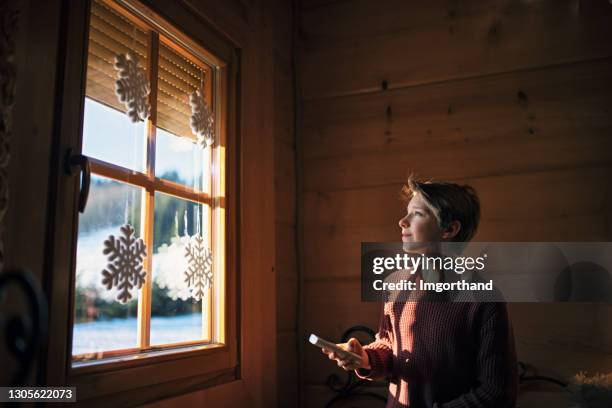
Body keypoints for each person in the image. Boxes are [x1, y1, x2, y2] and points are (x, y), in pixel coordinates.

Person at [322, 176, 518, 408]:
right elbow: (390, 346)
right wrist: (364, 357)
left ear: (449, 230)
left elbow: (496, 393)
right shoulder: (395, 284)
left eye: (417, 214)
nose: (402, 221)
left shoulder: (484, 299)